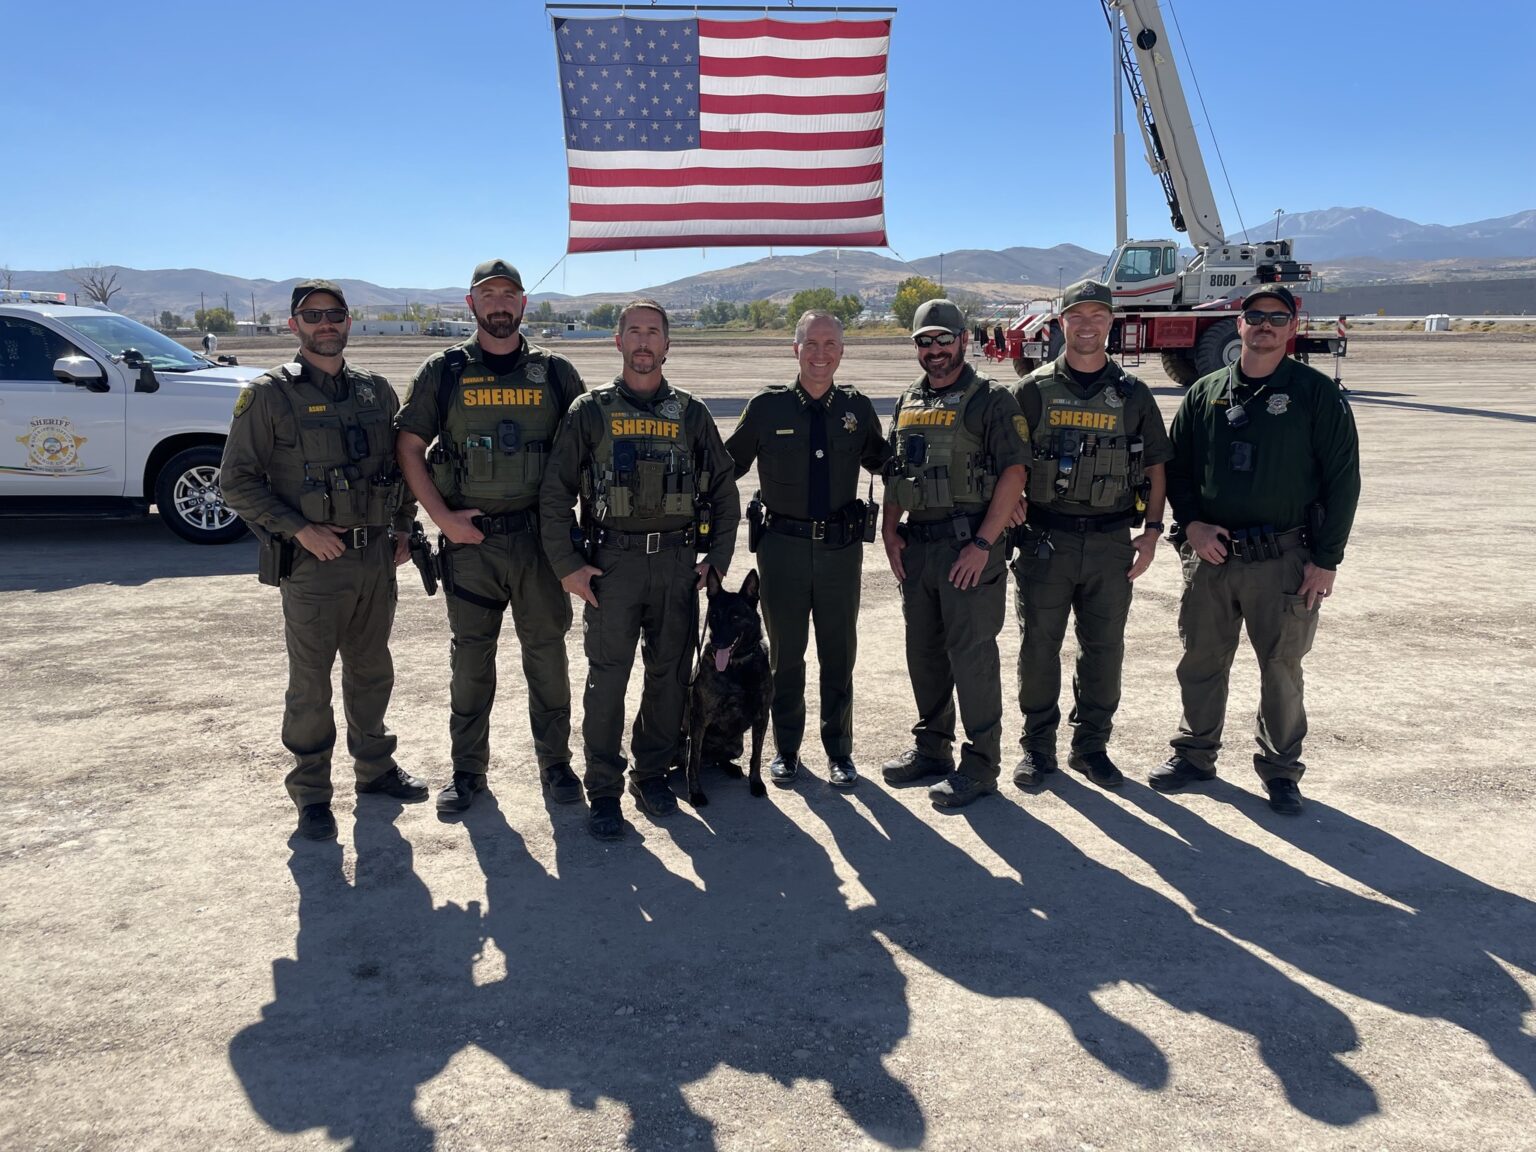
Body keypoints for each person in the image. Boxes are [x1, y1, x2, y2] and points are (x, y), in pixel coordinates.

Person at [220, 279, 424, 842]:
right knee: (311, 684)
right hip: (314, 566)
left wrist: (404, 526)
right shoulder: (268, 395)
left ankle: (376, 769)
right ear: (294, 326)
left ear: (348, 321)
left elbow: (403, 468)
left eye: (335, 313)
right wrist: (300, 530)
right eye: (313, 316)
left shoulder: (376, 392)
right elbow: (234, 480)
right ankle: (312, 793)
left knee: (372, 671)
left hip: (374, 561)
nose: (325, 323)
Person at [1151, 285, 1360, 815]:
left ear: (1292, 328)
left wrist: (1326, 560)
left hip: (1285, 559)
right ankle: (1195, 754)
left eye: (1276, 317)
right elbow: (1177, 470)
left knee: (1282, 667)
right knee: (1200, 659)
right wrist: (1192, 526)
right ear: (1239, 325)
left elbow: (1343, 481)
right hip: (1213, 557)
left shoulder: (1315, 395)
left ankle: (1282, 770)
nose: (1264, 325)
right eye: (1254, 316)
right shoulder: (1205, 393)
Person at [539, 299, 740, 840]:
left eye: (654, 333)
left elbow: (724, 490)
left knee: (670, 675)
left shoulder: (691, 413)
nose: (644, 342)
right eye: (635, 332)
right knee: (607, 680)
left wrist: (716, 560)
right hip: (612, 565)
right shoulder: (591, 410)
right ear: (619, 341)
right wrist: (568, 566)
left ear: (668, 344)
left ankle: (651, 773)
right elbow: (555, 493)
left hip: (677, 563)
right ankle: (603, 787)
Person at [395, 259, 585, 815]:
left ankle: (555, 764)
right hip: (471, 544)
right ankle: (467, 771)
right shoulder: (444, 371)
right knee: (471, 661)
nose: (499, 304)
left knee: (547, 657)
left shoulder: (554, 373)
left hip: (538, 545)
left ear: (524, 305)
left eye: (509, 295)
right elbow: (408, 448)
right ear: (471, 304)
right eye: (489, 295)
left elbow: (583, 457)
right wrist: (441, 520)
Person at [1010, 279, 1173, 791]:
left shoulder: (1133, 395)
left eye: (1097, 316)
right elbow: (1007, 461)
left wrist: (1150, 532)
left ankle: (1091, 747)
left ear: (1111, 324)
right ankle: (1038, 749)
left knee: (1103, 649)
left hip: (1109, 544)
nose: (1086, 325)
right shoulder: (1032, 391)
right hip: (1046, 540)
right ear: (1061, 324)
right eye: (1076, 316)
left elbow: (1155, 466)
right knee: (1039, 648)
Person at [725, 310, 888, 790]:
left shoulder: (856, 410)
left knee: (839, 655)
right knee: (786, 657)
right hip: (782, 551)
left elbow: (888, 463)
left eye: (830, 344)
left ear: (841, 350)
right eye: (811, 344)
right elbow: (724, 467)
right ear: (794, 349)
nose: (821, 354)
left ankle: (840, 752)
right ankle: (787, 749)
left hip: (840, 552)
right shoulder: (767, 409)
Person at [879, 299, 1029, 809]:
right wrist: (888, 529)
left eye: (945, 340)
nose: (936, 350)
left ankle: (982, 765)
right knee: (924, 655)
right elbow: (896, 473)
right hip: (919, 547)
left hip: (969, 546)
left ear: (964, 340)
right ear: (916, 346)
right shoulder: (907, 401)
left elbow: (1014, 473)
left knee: (972, 658)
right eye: (926, 341)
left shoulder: (991, 400)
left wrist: (984, 545)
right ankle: (932, 749)